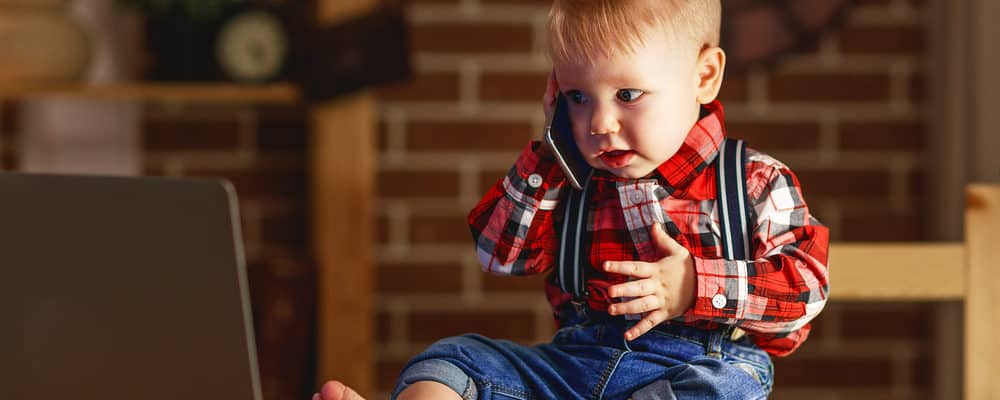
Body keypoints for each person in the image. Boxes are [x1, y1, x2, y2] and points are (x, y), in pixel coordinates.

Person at [316, 0, 829, 399]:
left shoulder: (754, 180)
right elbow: (500, 255)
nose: (599, 124)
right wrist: (549, 152)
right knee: (457, 360)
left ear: (704, 77)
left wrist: (699, 284)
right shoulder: (567, 178)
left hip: (698, 369)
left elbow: (807, 291)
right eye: (578, 97)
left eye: (628, 95)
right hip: (572, 370)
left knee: (726, 391)